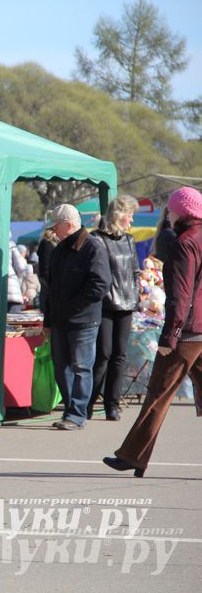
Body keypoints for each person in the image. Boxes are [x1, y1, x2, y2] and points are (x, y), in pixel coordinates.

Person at [104, 187, 202, 477]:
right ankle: (134, 456)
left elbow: (180, 295)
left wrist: (169, 337)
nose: (168, 214)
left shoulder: (186, 242)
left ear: (181, 212)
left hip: (187, 333)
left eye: (170, 209)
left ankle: (133, 456)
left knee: (157, 394)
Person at [44, 204, 112, 430]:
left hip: (83, 320)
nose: (54, 231)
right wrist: (48, 319)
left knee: (82, 367)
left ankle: (77, 413)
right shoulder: (59, 250)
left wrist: (73, 306)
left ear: (68, 224)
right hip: (61, 319)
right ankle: (71, 409)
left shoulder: (93, 247)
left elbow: (100, 285)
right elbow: (51, 288)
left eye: (56, 226)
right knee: (62, 367)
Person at [89, 195, 140, 421]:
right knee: (103, 354)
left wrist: (137, 293)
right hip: (105, 303)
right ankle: (88, 402)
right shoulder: (97, 239)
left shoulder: (129, 239)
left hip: (127, 303)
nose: (132, 219)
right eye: (130, 214)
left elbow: (135, 271)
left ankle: (112, 404)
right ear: (120, 214)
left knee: (119, 355)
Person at [36, 226, 58, 314]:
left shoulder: (46, 243)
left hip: (47, 280)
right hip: (49, 280)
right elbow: (46, 266)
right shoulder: (47, 244)